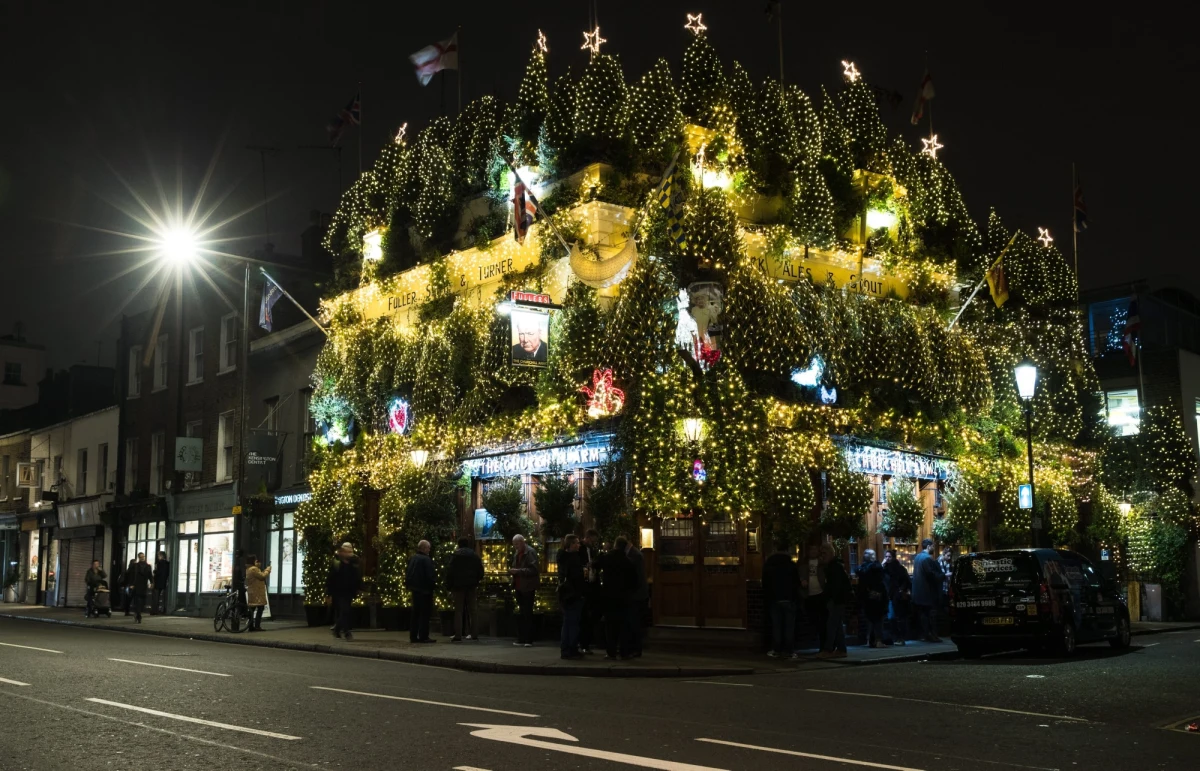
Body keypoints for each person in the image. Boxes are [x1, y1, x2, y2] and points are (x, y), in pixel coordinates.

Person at [600, 535, 637, 660]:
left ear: (615, 545)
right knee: (623, 626)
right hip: (624, 598)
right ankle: (624, 652)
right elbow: (634, 581)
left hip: (609, 596)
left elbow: (595, 565)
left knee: (610, 626)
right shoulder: (628, 562)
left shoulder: (607, 558)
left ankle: (611, 652)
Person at [762, 542, 800, 659]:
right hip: (789, 599)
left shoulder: (769, 565)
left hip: (774, 599)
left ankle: (776, 650)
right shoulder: (791, 565)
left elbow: (765, 583)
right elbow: (796, 583)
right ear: (787, 550)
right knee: (789, 626)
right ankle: (789, 650)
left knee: (776, 626)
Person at [446, 537, 483, 642]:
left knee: (458, 610)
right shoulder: (475, 556)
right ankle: (474, 634)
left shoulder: (455, 556)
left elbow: (450, 572)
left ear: (459, 545)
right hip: (471, 586)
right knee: (473, 610)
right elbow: (481, 571)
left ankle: (458, 635)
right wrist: (476, 580)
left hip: (458, 586)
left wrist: (449, 585)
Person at [816, 543, 849, 658]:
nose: (822, 556)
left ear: (830, 553)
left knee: (831, 625)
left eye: (824, 553)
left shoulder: (835, 567)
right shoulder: (832, 566)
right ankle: (841, 649)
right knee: (837, 625)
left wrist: (831, 599)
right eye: (821, 553)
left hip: (837, 600)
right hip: (836, 600)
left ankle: (828, 649)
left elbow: (835, 586)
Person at [556, 534, 586, 660]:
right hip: (573, 594)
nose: (579, 545)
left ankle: (565, 648)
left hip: (565, 594)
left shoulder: (562, 557)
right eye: (577, 543)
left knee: (567, 622)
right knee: (573, 622)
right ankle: (571, 649)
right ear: (571, 544)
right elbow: (576, 578)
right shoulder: (573, 559)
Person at [326, 543, 362, 641]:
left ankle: (337, 629)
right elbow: (330, 579)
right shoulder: (337, 563)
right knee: (344, 611)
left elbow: (357, 577)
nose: (348, 554)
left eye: (350, 552)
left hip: (349, 592)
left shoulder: (353, 563)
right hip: (338, 592)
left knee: (345, 612)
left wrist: (358, 588)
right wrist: (328, 594)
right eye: (346, 552)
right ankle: (347, 633)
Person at [509, 534, 539, 647]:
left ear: (522, 542)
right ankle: (522, 638)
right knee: (522, 612)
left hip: (527, 587)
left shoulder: (530, 552)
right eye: (514, 544)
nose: (515, 546)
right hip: (519, 586)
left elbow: (534, 569)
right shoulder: (518, 553)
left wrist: (518, 571)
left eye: (517, 544)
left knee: (527, 613)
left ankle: (528, 639)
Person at [855, 549, 888, 648]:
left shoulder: (861, 568)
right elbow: (881, 579)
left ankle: (869, 640)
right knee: (878, 619)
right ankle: (878, 640)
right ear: (872, 556)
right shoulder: (876, 566)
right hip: (877, 596)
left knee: (869, 619)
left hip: (866, 597)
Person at [912, 538, 943, 642]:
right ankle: (930, 635)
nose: (934, 548)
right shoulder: (927, 559)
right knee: (929, 615)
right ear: (929, 546)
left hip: (918, 592)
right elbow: (931, 575)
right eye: (933, 546)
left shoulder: (917, 557)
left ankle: (925, 635)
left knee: (923, 615)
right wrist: (943, 575)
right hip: (926, 592)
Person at [577, 530, 603, 654]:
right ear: (587, 538)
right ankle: (583, 644)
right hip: (584, 587)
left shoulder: (591, 550)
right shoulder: (580, 549)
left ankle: (586, 644)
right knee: (583, 617)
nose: (594, 542)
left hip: (592, 586)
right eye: (592, 540)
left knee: (590, 616)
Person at [407, 540, 436, 644]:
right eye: (428, 548)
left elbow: (408, 573)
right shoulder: (426, 560)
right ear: (424, 548)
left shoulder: (413, 558)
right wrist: (432, 586)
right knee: (424, 614)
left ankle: (413, 636)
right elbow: (430, 576)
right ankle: (424, 636)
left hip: (415, 590)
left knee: (415, 614)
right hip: (425, 591)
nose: (429, 550)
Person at [625, 536, 648, 658]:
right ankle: (634, 648)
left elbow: (636, 577)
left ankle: (636, 649)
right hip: (637, 594)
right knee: (633, 622)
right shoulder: (634, 554)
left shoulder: (634, 555)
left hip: (636, 595)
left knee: (634, 622)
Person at [800, 544, 826, 651]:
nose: (813, 551)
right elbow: (798, 574)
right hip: (808, 594)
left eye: (815, 549)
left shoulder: (822, 563)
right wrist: (802, 579)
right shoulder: (803, 563)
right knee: (812, 620)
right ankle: (813, 641)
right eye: (812, 549)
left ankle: (822, 645)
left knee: (821, 621)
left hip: (820, 593)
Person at [883, 549, 911, 646]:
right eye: (886, 557)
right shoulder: (884, 568)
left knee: (898, 617)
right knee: (891, 617)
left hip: (897, 597)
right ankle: (895, 637)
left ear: (894, 558)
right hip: (889, 596)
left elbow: (906, 580)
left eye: (889, 557)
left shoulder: (900, 568)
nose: (887, 559)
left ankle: (900, 637)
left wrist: (901, 590)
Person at [245, 555, 272, 632]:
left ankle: (251, 626)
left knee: (252, 609)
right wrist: (268, 570)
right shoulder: (254, 569)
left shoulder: (249, 569)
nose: (257, 561)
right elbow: (262, 576)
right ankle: (257, 626)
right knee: (260, 608)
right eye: (255, 560)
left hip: (253, 591)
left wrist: (258, 567)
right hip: (257, 592)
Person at [127, 552, 154, 624]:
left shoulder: (148, 566)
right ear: (139, 557)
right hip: (136, 585)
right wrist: (131, 584)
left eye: (143, 556)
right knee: (137, 600)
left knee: (142, 601)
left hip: (143, 585)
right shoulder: (135, 566)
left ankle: (138, 613)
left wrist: (151, 582)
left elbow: (150, 575)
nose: (142, 558)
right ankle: (138, 615)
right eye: (141, 557)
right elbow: (131, 575)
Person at [152, 551, 170, 615]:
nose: (158, 557)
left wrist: (154, 571)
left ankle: (155, 610)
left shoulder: (159, 563)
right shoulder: (168, 563)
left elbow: (159, 572)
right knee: (164, 597)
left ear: (161, 556)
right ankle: (164, 610)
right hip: (164, 582)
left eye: (158, 555)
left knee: (156, 597)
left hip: (158, 582)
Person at [232, 548, 247, 617]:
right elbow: (241, 571)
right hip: (239, 582)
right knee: (241, 598)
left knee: (237, 597)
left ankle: (234, 611)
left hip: (236, 582)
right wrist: (243, 578)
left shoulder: (236, 560)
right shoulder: (241, 561)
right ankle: (241, 612)